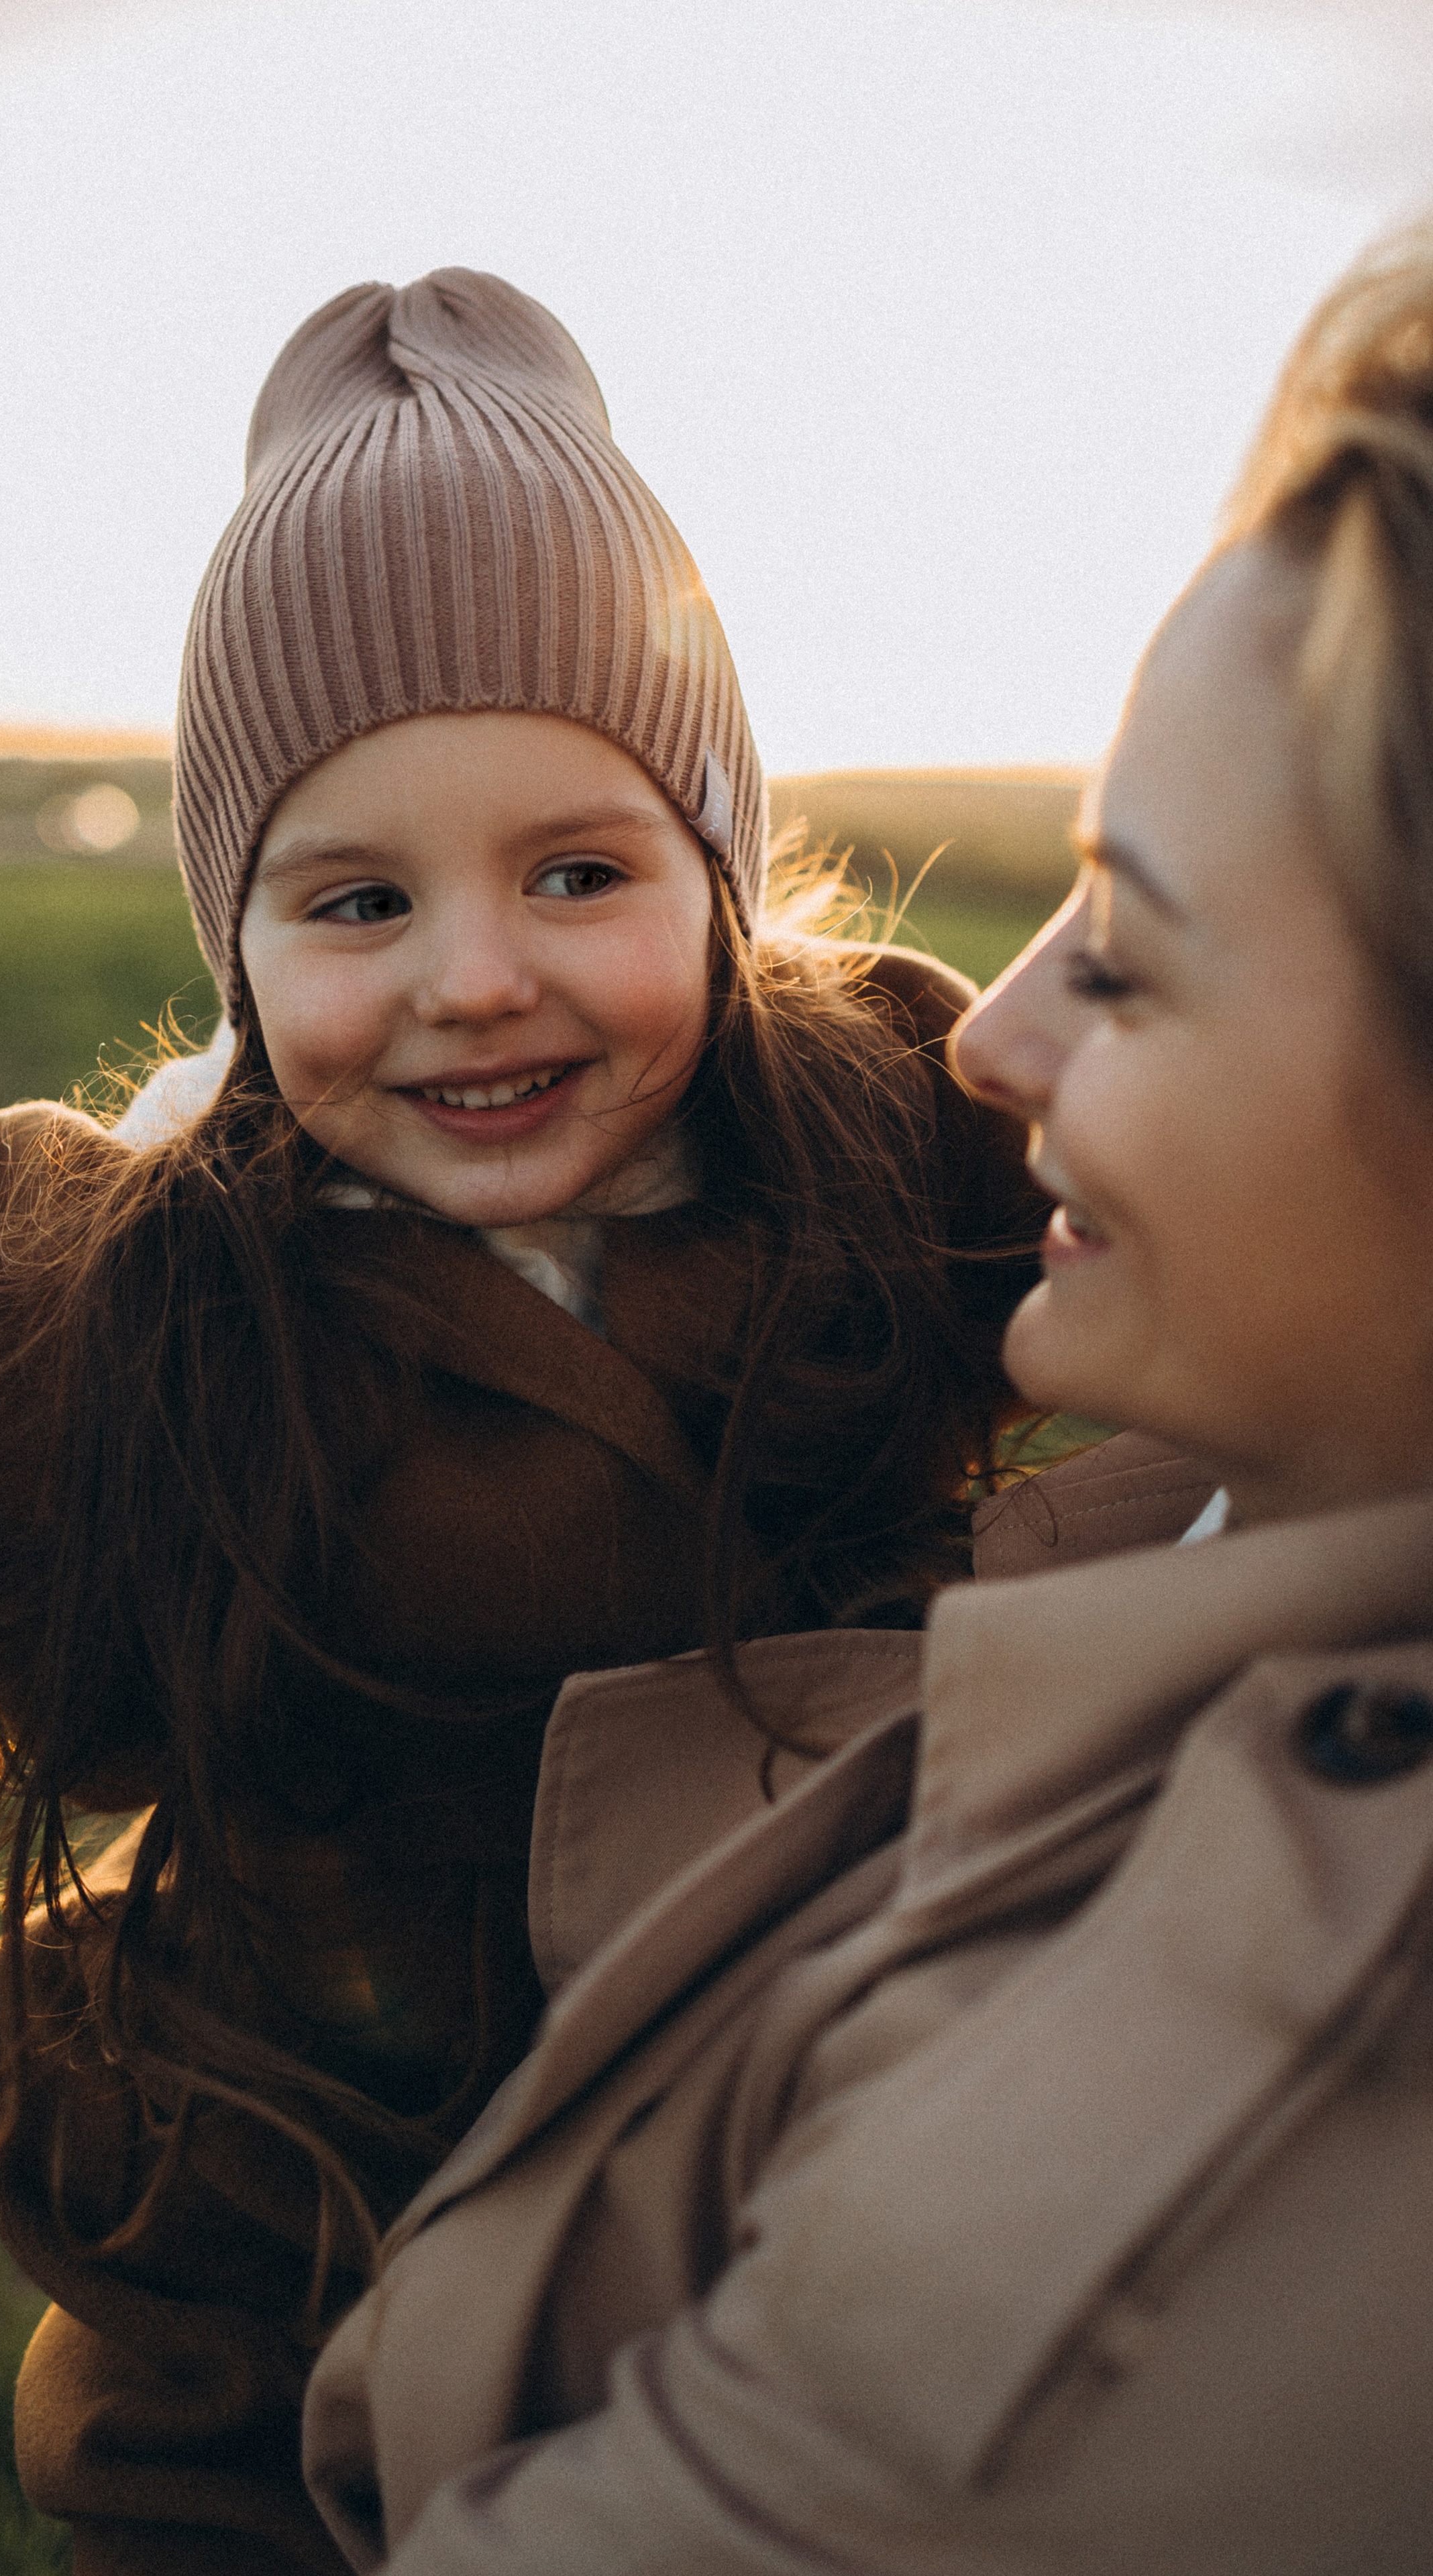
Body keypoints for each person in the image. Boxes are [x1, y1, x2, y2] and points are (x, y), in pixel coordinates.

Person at [0, 270, 1042, 2572]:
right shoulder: (117, 1296)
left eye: (577, 871)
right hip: (290, 2333)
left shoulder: (896, 1126)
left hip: (820, 2265)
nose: (474, 974)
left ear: (721, 869)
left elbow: (1246, 1186)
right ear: (240, 944)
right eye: (358, 897)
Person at [298, 223, 1433, 2575]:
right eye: (352, 902)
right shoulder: (1202, 1532)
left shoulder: (1069, 2313)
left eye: (1123, 942)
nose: (992, 1047)